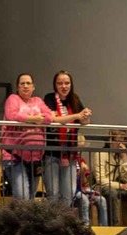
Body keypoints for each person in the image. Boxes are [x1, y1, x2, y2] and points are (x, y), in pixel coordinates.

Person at [1, 74, 52, 202]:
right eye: (22, 83)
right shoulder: (13, 99)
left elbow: (48, 117)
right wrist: (34, 118)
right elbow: (11, 115)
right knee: (22, 195)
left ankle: (24, 216)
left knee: (30, 197)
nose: (25, 86)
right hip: (14, 156)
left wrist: (27, 118)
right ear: (17, 87)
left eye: (28, 83)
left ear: (33, 87)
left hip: (35, 158)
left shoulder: (38, 101)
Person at [42, 70, 90, 208]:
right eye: (60, 83)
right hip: (52, 153)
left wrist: (86, 115)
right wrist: (77, 116)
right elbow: (54, 119)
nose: (64, 86)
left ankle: (62, 219)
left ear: (71, 84)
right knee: (53, 194)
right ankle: (53, 220)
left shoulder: (75, 99)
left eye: (67, 83)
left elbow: (85, 121)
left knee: (68, 194)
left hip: (70, 154)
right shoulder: (49, 98)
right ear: (55, 85)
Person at [94, 129, 127, 225]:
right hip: (102, 187)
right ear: (111, 141)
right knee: (112, 193)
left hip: (116, 186)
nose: (120, 144)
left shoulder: (120, 156)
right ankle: (114, 225)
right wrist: (121, 186)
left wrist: (125, 159)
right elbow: (100, 179)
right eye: (117, 141)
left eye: (122, 141)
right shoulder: (101, 154)